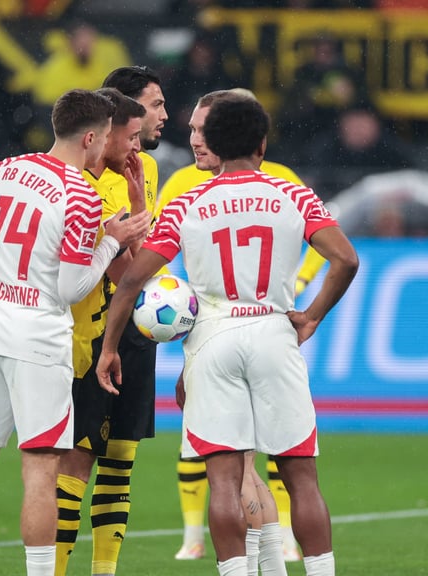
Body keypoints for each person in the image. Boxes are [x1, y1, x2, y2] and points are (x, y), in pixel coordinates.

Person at [97, 95, 358, 576]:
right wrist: (313, 314)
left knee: (223, 481)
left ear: (212, 143)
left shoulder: (186, 204)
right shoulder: (293, 194)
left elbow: (132, 280)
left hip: (212, 337)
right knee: (300, 478)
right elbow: (346, 259)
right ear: (262, 144)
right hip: (273, 329)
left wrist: (111, 346)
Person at [0, 88, 151, 576]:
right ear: (91, 137)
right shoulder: (80, 194)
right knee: (40, 471)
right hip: (39, 339)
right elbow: (73, 288)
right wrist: (111, 244)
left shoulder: (6, 169)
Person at [159, 88, 321, 564]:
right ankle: (222, 544)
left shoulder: (192, 194)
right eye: (190, 130)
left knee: (230, 467)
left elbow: (152, 262)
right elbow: (339, 252)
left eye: (202, 129)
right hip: (269, 331)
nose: (194, 139)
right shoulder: (282, 186)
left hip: (218, 334)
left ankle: (257, 555)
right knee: (275, 465)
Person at [53, 65, 168, 576]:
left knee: (120, 460)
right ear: (108, 129)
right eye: (135, 133)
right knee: (76, 461)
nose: (141, 143)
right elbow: (127, 265)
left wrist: (140, 196)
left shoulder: (135, 175)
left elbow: (142, 258)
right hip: (85, 337)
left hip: (132, 333)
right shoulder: (77, 185)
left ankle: (104, 571)